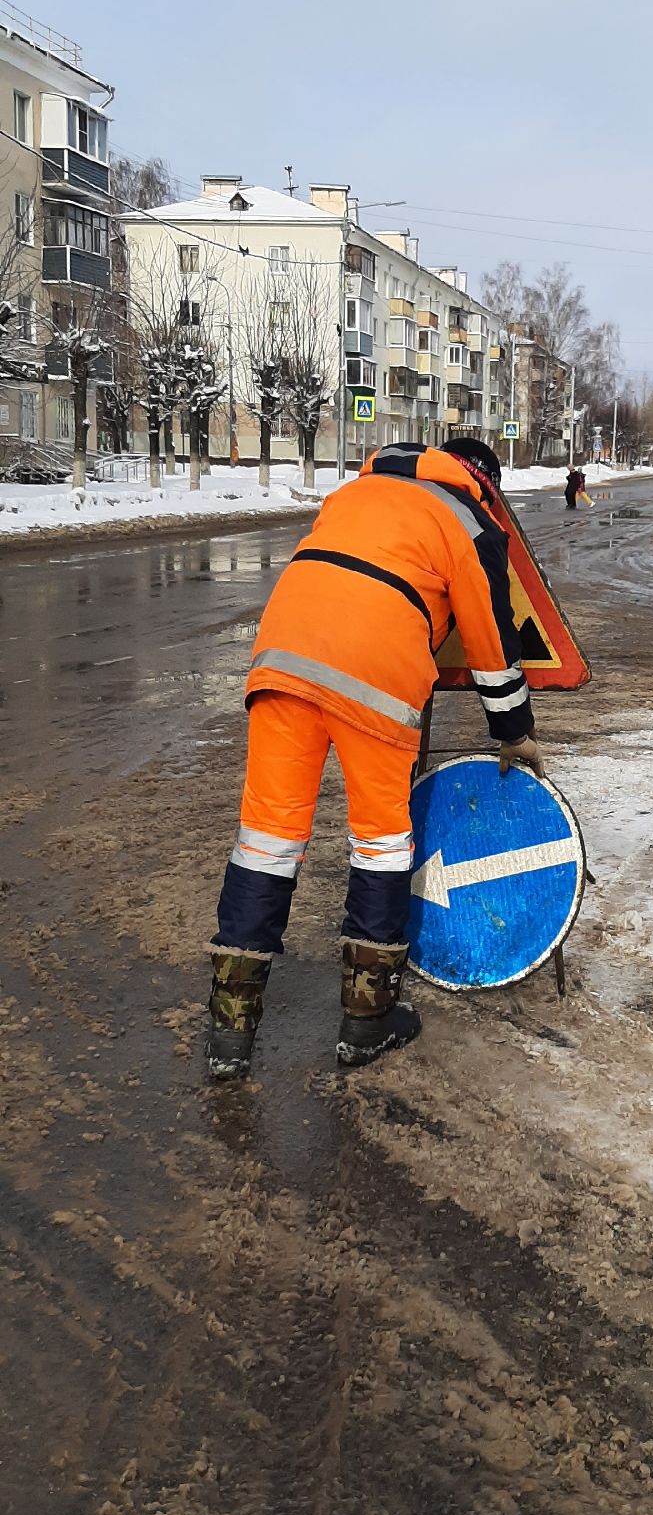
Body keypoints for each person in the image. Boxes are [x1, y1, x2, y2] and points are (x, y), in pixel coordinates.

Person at [207, 437, 543, 1082]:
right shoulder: (467, 518)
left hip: (281, 658)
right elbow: (492, 640)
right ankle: (367, 1021)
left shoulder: (354, 493)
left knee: (265, 840)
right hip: (374, 675)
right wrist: (514, 730)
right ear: (485, 484)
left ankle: (229, 1031)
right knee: (381, 841)